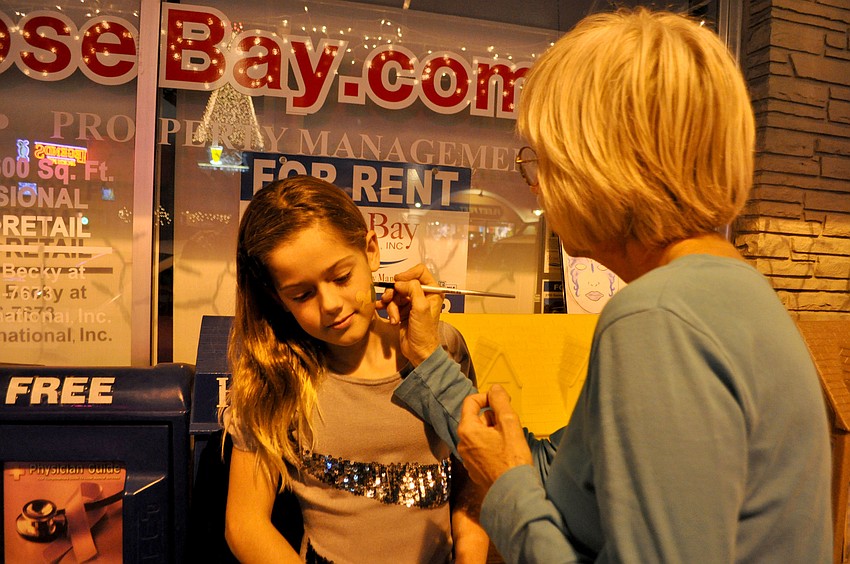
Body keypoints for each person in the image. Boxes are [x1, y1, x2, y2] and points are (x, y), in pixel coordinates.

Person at [380, 8, 832, 564]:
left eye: (543, 161)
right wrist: (428, 357)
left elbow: (536, 484)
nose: (537, 189)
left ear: (606, 165)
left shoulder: (655, 319)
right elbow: (568, 472)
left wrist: (505, 492)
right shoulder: (733, 292)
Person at [222, 175, 489, 563]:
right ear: (279, 299)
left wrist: (471, 556)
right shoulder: (275, 374)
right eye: (302, 294)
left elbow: (473, 475)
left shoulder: (442, 347)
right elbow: (245, 523)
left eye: (341, 276)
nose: (329, 303)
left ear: (371, 251)